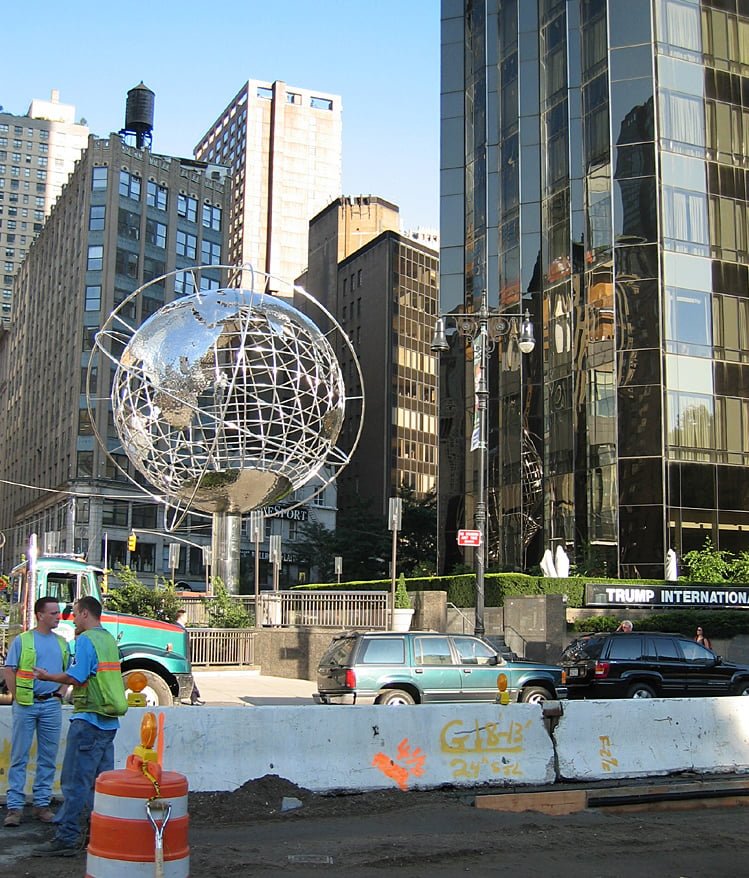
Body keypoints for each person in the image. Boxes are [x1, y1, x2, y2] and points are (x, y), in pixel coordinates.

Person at [32, 595, 127, 857]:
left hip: (89, 719)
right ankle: (97, 835)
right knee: (100, 784)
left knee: (75, 783)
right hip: (108, 722)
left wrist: (48, 676)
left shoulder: (86, 640)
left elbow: (77, 676)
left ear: (85, 613)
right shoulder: (108, 639)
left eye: (75, 613)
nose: (72, 618)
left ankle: (68, 837)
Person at [2, 596, 69, 828]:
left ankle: (42, 804)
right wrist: (18, 697)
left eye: (58, 612)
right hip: (26, 705)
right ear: (40, 615)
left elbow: (68, 672)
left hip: (50, 704)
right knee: (19, 756)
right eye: (53, 613)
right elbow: (9, 670)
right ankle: (15, 807)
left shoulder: (62, 643)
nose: (58, 616)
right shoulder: (23, 640)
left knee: (48, 757)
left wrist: (60, 693)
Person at [175, 609, 203, 705]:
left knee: (188, 678)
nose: (187, 618)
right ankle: (194, 698)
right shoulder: (179, 628)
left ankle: (194, 697)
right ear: (181, 617)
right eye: (186, 616)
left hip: (184, 657)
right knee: (188, 677)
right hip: (183, 657)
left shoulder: (180, 627)